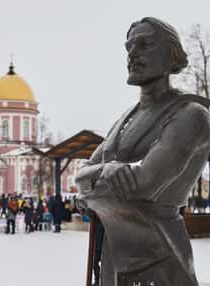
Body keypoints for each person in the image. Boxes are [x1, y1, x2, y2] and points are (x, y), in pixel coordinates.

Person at [75, 17, 209, 285]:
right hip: (115, 257)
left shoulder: (191, 115)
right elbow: (81, 176)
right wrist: (105, 170)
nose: (132, 54)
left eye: (145, 44)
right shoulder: (126, 118)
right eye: (129, 47)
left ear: (172, 56)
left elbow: (143, 185)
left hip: (159, 259)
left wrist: (92, 189)